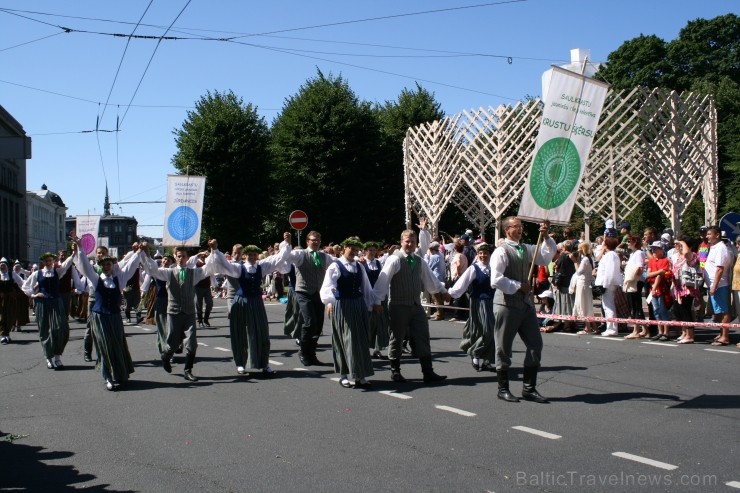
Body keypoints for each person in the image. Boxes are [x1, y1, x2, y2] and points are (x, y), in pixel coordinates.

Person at [490, 217, 556, 403]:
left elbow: (545, 256)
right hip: (506, 304)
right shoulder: (501, 251)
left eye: (521, 226)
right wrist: (519, 285)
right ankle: (502, 388)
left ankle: (529, 388)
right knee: (503, 348)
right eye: (516, 226)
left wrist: (545, 237)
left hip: (525, 304)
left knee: (536, 344)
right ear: (507, 230)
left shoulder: (526, 248)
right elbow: (495, 279)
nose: (520, 229)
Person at [372, 228, 450, 383]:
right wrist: (376, 301)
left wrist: (443, 290)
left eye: (413, 241)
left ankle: (428, 372)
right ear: (401, 242)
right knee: (397, 338)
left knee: (423, 336)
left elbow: (430, 280)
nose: (410, 244)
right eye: (407, 241)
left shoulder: (420, 261)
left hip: (416, 305)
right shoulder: (395, 259)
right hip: (398, 305)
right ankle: (395, 371)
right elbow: (382, 281)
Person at [210, 233, 291, 376]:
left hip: (257, 302)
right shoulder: (239, 268)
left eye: (254, 255)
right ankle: (240, 363)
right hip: (241, 301)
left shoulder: (262, 267)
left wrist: (287, 243)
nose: (252, 258)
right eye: (249, 255)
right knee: (239, 332)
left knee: (262, 332)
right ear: (244, 256)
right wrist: (215, 249)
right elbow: (224, 264)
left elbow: (278, 258)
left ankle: (264, 363)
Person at [140, 240, 219, 382]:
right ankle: (166, 356)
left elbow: (210, 268)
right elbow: (152, 270)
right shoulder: (168, 272)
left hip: (189, 312)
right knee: (172, 342)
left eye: (183, 256)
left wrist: (214, 250)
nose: (181, 258)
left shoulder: (194, 273)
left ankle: (188, 370)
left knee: (191, 342)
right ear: (175, 257)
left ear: (188, 258)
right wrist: (146, 252)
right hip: (174, 311)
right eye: (178, 256)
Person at [72, 235, 143, 390]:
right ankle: (108, 377)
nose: (106, 266)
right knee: (104, 346)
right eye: (103, 264)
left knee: (117, 344)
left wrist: (138, 253)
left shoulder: (120, 279)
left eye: (108, 264)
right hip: (100, 316)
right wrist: (80, 247)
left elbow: (131, 267)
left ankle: (119, 372)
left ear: (112, 265)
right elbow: (84, 266)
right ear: (101, 265)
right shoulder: (96, 279)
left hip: (115, 316)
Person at [320, 238, 377, 388]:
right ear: (344, 248)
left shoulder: (359, 266)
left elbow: (366, 288)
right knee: (345, 339)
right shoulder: (335, 266)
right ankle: (343, 374)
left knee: (361, 339)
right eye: (351, 248)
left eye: (356, 249)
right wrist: (329, 301)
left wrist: (371, 305)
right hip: (343, 304)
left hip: (358, 304)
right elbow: (327, 286)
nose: (353, 251)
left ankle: (360, 375)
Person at [283, 231, 335, 366]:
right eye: (313, 240)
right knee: (310, 322)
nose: (316, 242)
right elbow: (286, 256)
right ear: (307, 241)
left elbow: (338, 264)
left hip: (319, 293)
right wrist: (287, 243)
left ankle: (312, 354)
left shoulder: (324, 256)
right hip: (304, 292)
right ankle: (303, 350)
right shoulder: (300, 254)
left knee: (318, 325)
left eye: (318, 239)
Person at [22, 249, 76, 369]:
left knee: (60, 328)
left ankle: (57, 356)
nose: (48, 262)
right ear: (43, 262)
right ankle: (49, 357)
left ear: (53, 261)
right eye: (46, 260)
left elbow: (67, 264)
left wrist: (74, 253)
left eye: (50, 260)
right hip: (43, 303)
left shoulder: (58, 271)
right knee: (45, 330)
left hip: (56, 302)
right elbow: (26, 286)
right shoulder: (38, 273)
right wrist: (34, 295)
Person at [449, 243, 496, 372]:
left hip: (492, 303)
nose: (483, 255)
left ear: (490, 254)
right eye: (480, 253)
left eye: (485, 253)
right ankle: (475, 353)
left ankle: (487, 360)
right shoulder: (474, 268)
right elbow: (462, 283)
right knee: (484, 330)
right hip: (479, 302)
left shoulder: (493, 269)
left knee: (493, 332)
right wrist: (451, 293)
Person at [703, 225, 732, 345]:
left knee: (723, 310)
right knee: (718, 311)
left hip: (720, 284)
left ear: (717, 235)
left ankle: (725, 336)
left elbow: (719, 269)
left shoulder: (721, 248)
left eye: (710, 234)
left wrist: (714, 285)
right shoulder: (713, 247)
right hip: (714, 284)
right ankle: (721, 334)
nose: (707, 236)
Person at [361, 241, 389, 359]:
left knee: (380, 323)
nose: (372, 252)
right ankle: (365, 348)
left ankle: (377, 349)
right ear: (365, 251)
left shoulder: (378, 263)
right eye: (369, 250)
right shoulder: (361, 263)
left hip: (378, 296)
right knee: (368, 323)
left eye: (373, 250)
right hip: (366, 297)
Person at [594, 232, 623, 338]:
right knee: (607, 305)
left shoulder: (610, 255)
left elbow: (609, 271)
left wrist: (604, 284)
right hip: (608, 283)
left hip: (607, 284)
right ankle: (610, 327)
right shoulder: (612, 255)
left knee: (608, 306)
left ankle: (612, 328)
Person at [671, 237, 700, 344]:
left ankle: (690, 335)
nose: (678, 247)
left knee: (686, 310)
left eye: (680, 245)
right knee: (680, 311)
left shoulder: (692, 255)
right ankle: (685, 333)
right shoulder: (679, 257)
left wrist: (682, 242)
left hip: (687, 288)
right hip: (678, 288)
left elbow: (687, 253)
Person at [646, 241, 673, 341]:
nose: (654, 250)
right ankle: (660, 331)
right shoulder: (652, 261)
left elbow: (660, 276)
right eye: (653, 248)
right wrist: (657, 273)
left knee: (662, 310)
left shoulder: (665, 261)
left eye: (656, 248)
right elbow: (648, 274)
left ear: (662, 250)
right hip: (652, 287)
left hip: (660, 288)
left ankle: (666, 332)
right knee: (656, 311)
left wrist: (654, 286)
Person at [623, 235, 648, 339]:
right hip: (634, 281)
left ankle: (636, 330)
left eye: (630, 241)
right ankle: (645, 329)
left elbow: (639, 268)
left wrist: (633, 277)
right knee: (635, 305)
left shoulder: (638, 253)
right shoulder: (633, 253)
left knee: (635, 305)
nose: (628, 243)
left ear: (635, 242)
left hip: (635, 282)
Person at [572, 242, 595, 335]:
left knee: (583, 304)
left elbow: (579, 272)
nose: (578, 250)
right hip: (586, 283)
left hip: (583, 284)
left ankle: (587, 327)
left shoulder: (585, 259)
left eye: (579, 248)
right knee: (587, 304)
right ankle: (592, 326)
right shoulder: (589, 258)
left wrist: (575, 262)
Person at [0, 258, 24, 344]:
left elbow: (21, 282)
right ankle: (3, 335)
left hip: (10, 300)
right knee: (2, 317)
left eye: (4, 265)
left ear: (7, 266)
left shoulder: (12, 274)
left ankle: (7, 334)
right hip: (1, 300)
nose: (2, 266)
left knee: (10, 316)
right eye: (1, 265)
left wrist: (28, 290)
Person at [423, 241, 446, 321]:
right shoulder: (441, 255)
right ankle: (441, 312)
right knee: (439, 298)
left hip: (435, 279)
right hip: (441, 278)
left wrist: (426, 256)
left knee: (436, 298)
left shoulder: (434, 257)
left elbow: (427, 266)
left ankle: (439, 314)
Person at [194, 251, 214, 328]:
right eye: (203, 255)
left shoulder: (208, 263)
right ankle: (200, 320)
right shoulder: (196, 263)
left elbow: (212, 274)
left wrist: (214, 284)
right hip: (198, 287)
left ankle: (206, 319)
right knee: (199, 305)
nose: (204, 256)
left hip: (207, 287)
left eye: (206, 255)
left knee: (209, 303)